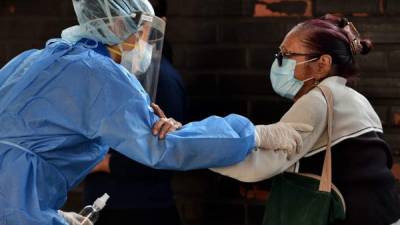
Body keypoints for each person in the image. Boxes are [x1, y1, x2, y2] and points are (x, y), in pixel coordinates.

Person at [0, 0, 307, 224]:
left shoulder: (31, 59)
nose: (144, 43)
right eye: (142, 32)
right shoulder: (100, 74)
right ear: (118, 25)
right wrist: (253, 133)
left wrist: (51, 216)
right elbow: (162, 147)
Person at [212, 14, 400, 225]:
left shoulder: (318, 101)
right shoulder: (357, 99)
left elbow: (260, 165)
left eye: (286, 55)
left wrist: (197, 148)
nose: (277, 62)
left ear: (322, 64)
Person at [83, 1, 185, 224]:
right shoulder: (116, 73)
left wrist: (105, 163)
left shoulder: (163, 80)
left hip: (141, 209)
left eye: (138, 24)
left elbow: (168, 153)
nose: (125, 30)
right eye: (121, 21)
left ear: (157, 25)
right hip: (106, 205)